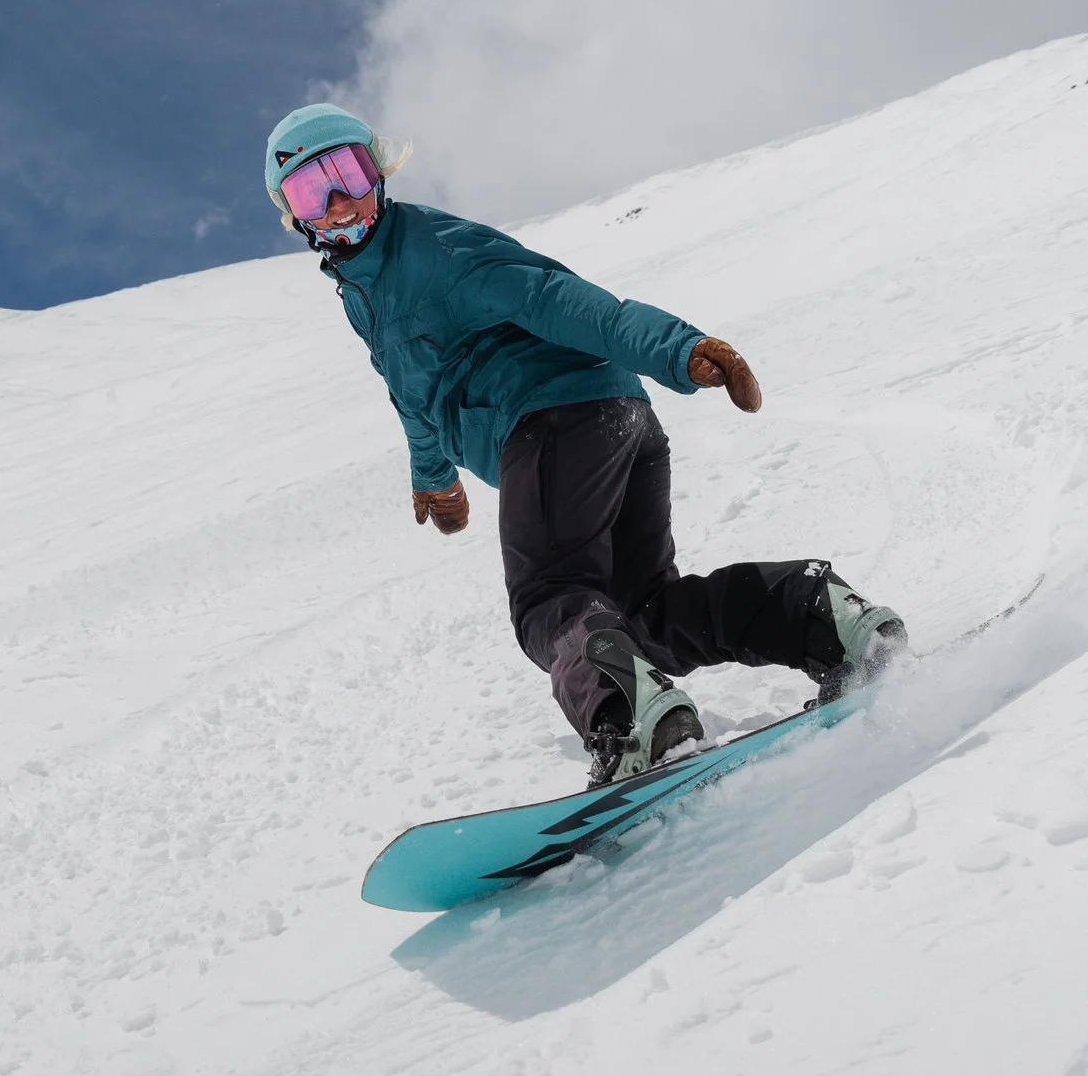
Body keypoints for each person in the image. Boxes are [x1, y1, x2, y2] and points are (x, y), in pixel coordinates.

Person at [266, 102, 905, 786]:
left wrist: (677, 348)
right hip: (613, 418)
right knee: (645, 615)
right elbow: (410, 386)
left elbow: (558, 299)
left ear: (380, 170)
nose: (337, 202)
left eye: (349, 173)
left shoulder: (435, 252)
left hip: (552, 420)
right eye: (312, 188)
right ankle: (822, 617)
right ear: (293, 213)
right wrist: (435, 478)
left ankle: (630, 717)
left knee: (551, 600)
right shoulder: (366, 290)